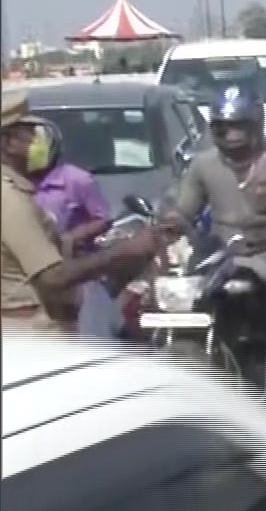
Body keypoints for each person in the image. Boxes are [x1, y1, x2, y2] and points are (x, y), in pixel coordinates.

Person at [166, 84, 266, 369]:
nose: (231, 136)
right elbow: (185, 208)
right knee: (179, 306)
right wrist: (170, 223)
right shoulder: (204, 165)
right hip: (221, 256)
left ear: (256, 125)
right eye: (223, 129)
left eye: (238, 128)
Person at [1, 88, 165, 332]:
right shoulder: (9, 197)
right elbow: (52, 278)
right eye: (30, 134)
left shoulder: (21, 188)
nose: (39, 142)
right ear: (8, 142)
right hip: (30, 333)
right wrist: (123, 252)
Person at [21, 119, 122, 338]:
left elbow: (102, 218)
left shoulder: (77, 180)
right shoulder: (16, 183)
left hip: (73, 268)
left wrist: (74, 236)